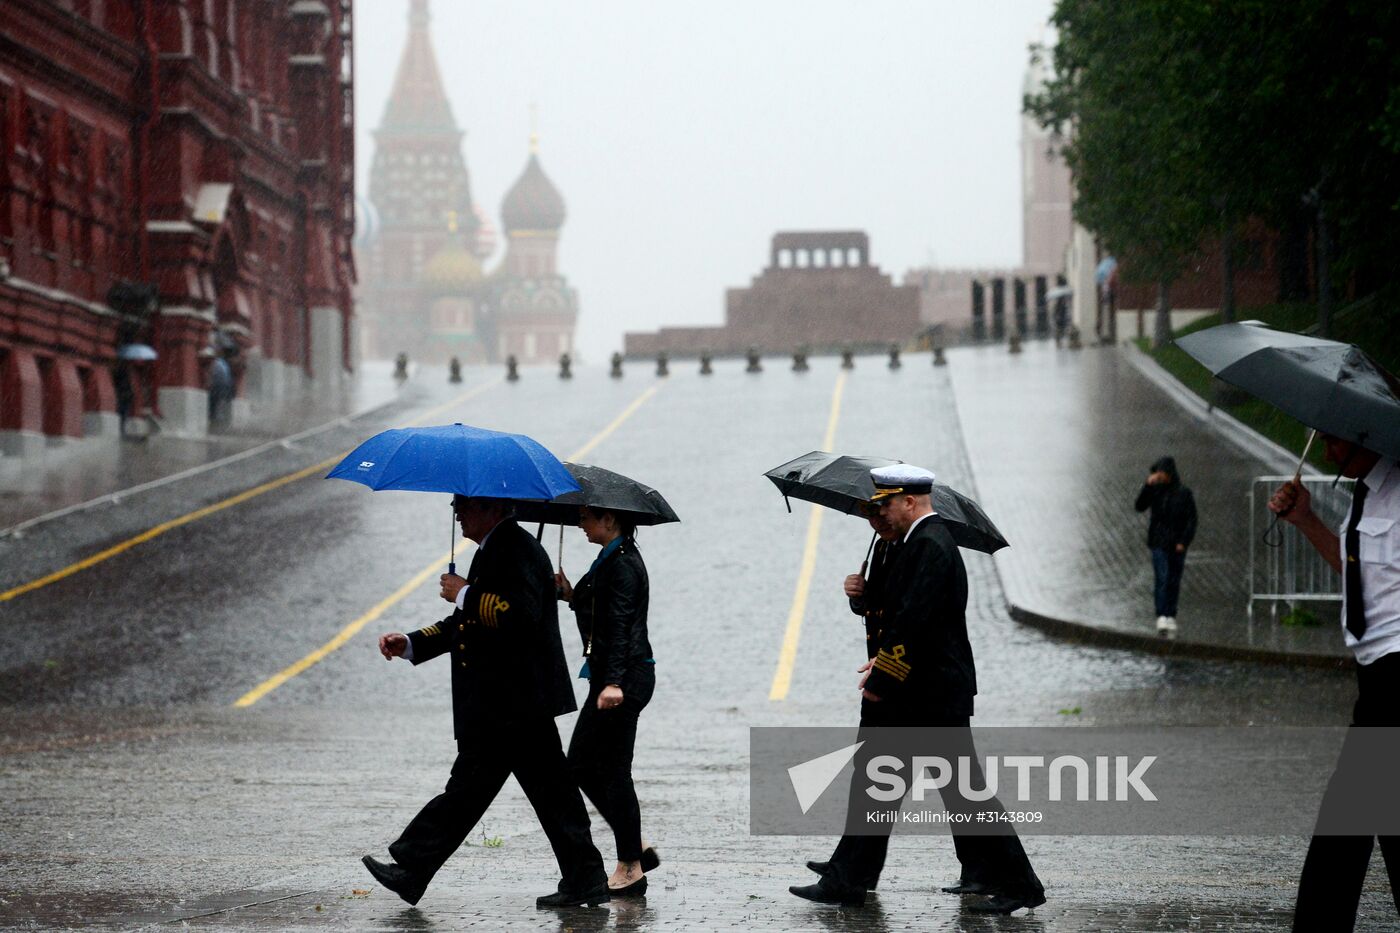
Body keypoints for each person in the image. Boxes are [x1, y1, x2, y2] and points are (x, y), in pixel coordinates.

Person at [790, 466, 1045, 915]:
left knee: (962, 793)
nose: (879, 512)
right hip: (920, 692)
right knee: (877, 785)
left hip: (926, 695)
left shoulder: (930, 545)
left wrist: (881, 679)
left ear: (909, 501)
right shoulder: (915, 544)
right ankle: (848, 878)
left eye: (884, 503)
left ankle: (1020, 884)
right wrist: (861, 600)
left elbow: (913, 623)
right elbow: (895, 610)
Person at [364, 495, 608, 909]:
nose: (457, 511)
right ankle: (585, 877)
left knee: (483, 791)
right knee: (539, 792)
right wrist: (411, 643)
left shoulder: (516, 549)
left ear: (493, 508)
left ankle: (412, 868)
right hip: (506, 702)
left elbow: (519, 616)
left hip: (514, 701)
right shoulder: (494, 549)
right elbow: (466, 624)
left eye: (465, 504)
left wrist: (464, 593)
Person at [1269, 436, 1400, 931]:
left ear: (1367, 434)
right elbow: (1358, 579)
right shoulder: (1366, 495)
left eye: (1333, 438)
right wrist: (1306, 521)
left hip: (1398, 671)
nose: (1324, 448)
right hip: (1377, 673)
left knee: (1345, 824)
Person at [555, 507, 660, 897]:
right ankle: (635, 846)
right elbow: (600, 610)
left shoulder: (622, 564)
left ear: (611, 520)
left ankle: (630, 867)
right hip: (611, 676)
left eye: (587, 517)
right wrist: (569, 594)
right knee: (581, 765)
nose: (580, 523)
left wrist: (613, 681)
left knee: (613, 771)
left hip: (623, 679)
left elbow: (618, 626)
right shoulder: (612, 557)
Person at [1133, 456, 1197, 635]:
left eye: (1162, 473)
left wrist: (1184, 541)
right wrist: (1147, 485)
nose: (1159, 477)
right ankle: (1161, 614)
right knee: (1162, 576)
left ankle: (1171, 614)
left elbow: (1191, 520)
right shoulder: (1155, 491)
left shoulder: (1184, 493)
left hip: (1177, 544)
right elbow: (1139, 506)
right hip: (1158, 542)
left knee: (1174, 579)